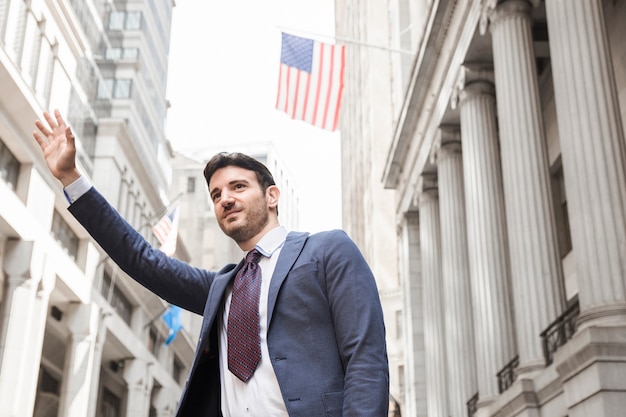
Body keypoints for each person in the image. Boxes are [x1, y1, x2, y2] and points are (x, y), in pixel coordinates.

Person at [33, 110, 389, 417]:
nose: (226, 199)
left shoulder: (326, 251)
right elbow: (139, 258)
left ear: (272, 196)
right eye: (217, 194)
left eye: (238, 187)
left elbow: (365, 355)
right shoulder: (220, 289)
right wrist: (71, 178)